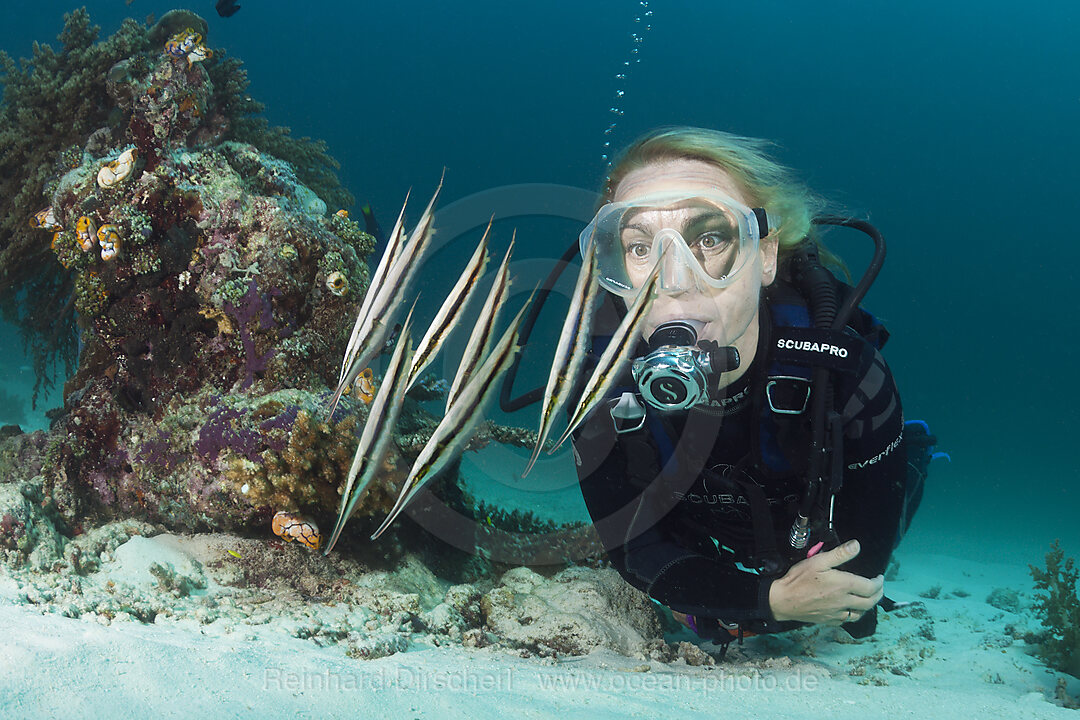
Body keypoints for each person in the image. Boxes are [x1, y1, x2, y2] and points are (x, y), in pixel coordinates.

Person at [569, 126, 930, 647]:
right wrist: (768, 602)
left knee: (857, 616)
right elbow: (635, 549)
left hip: (808, 509)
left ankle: (916, 448)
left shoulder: (850, 375)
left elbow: (859, 568)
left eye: (709, 239)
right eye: (639, 246)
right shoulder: (598, 386)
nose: (673, 279)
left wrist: (768, 602)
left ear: (764, 256)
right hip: (708, 523)